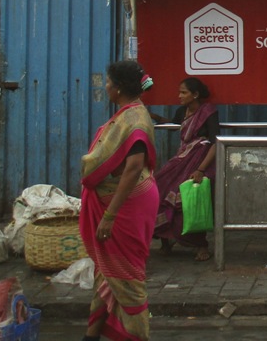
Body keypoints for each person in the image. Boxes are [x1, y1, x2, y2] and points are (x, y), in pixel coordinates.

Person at [79, 59, 159, 341]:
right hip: (124, 199)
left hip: (126, 206)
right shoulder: (130, 113)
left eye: (109, 82)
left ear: (119, 87)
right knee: (106, 272)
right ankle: (92, 335)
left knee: (126, 278)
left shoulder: (134, 120)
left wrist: (110, 216)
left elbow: (134, 166)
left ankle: (139, 335)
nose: (107, 86)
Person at [152, 77, 218, 261]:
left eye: (183, 92)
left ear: (195, 94)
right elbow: (174, 125)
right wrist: (156, 118)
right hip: (182, 158)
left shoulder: (208, 112)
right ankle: (165, 240)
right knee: (159, 189)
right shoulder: (183, 111)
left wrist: (201, 170)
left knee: (188, 199)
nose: (179, 96)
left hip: (200, 161)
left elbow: (215, 143)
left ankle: (200, 245)